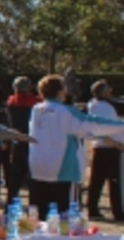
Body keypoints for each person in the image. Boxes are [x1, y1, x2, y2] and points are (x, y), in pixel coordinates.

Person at [29, 74, 124, 210]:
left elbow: (80, 130)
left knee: (42, 216)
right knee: (65, 217)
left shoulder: (36, 109)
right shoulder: (66, 112)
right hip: (63, 170)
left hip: (38, 168)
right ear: (60, 90)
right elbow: (93, 123)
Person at [85, 80, 124, 220]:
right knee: (115, 182)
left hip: (98, 146)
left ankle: (92, 209)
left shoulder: (92, 104)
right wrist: (116, 144)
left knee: (96, 180)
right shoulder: (107, 106)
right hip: (112, 146)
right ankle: (118, 211)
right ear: (105, 92)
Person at [6, 76, 38, 203]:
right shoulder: (36, 103)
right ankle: (34, 204)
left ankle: (11, 201)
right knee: (33, 176)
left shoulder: (10, 102)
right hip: (32, 140)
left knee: (15, 175)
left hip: (15, 140)